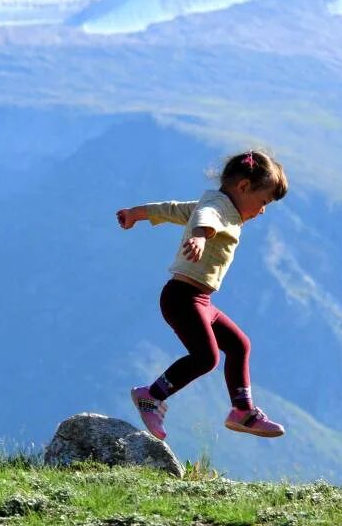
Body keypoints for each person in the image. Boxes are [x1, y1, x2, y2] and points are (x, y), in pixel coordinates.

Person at [116, 150, 289, 440]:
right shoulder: (217, 209)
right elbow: (205, 219)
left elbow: (172, 209)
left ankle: (242, 411)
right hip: (183, 297)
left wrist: (137, 213)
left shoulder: (219, 207)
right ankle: (151, 396)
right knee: (206, 357)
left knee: (239, 345)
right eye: (263, 202)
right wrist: (198, 236)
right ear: (243, 187)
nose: (262, 211)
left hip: (200, 300)